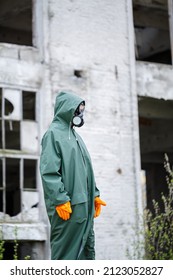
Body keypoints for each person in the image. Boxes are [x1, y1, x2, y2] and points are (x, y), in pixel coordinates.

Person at [40, 90, 106, 260]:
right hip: (68, 208)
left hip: (85, 207)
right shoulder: (53, 135)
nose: (81, 114)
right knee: (66, 254)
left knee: (85, 251)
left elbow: (85, 170)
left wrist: (95, 195)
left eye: (82, 110)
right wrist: (60, 199)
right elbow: (49, 172)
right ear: (67, 109)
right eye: (78, 110)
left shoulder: (76, 137)